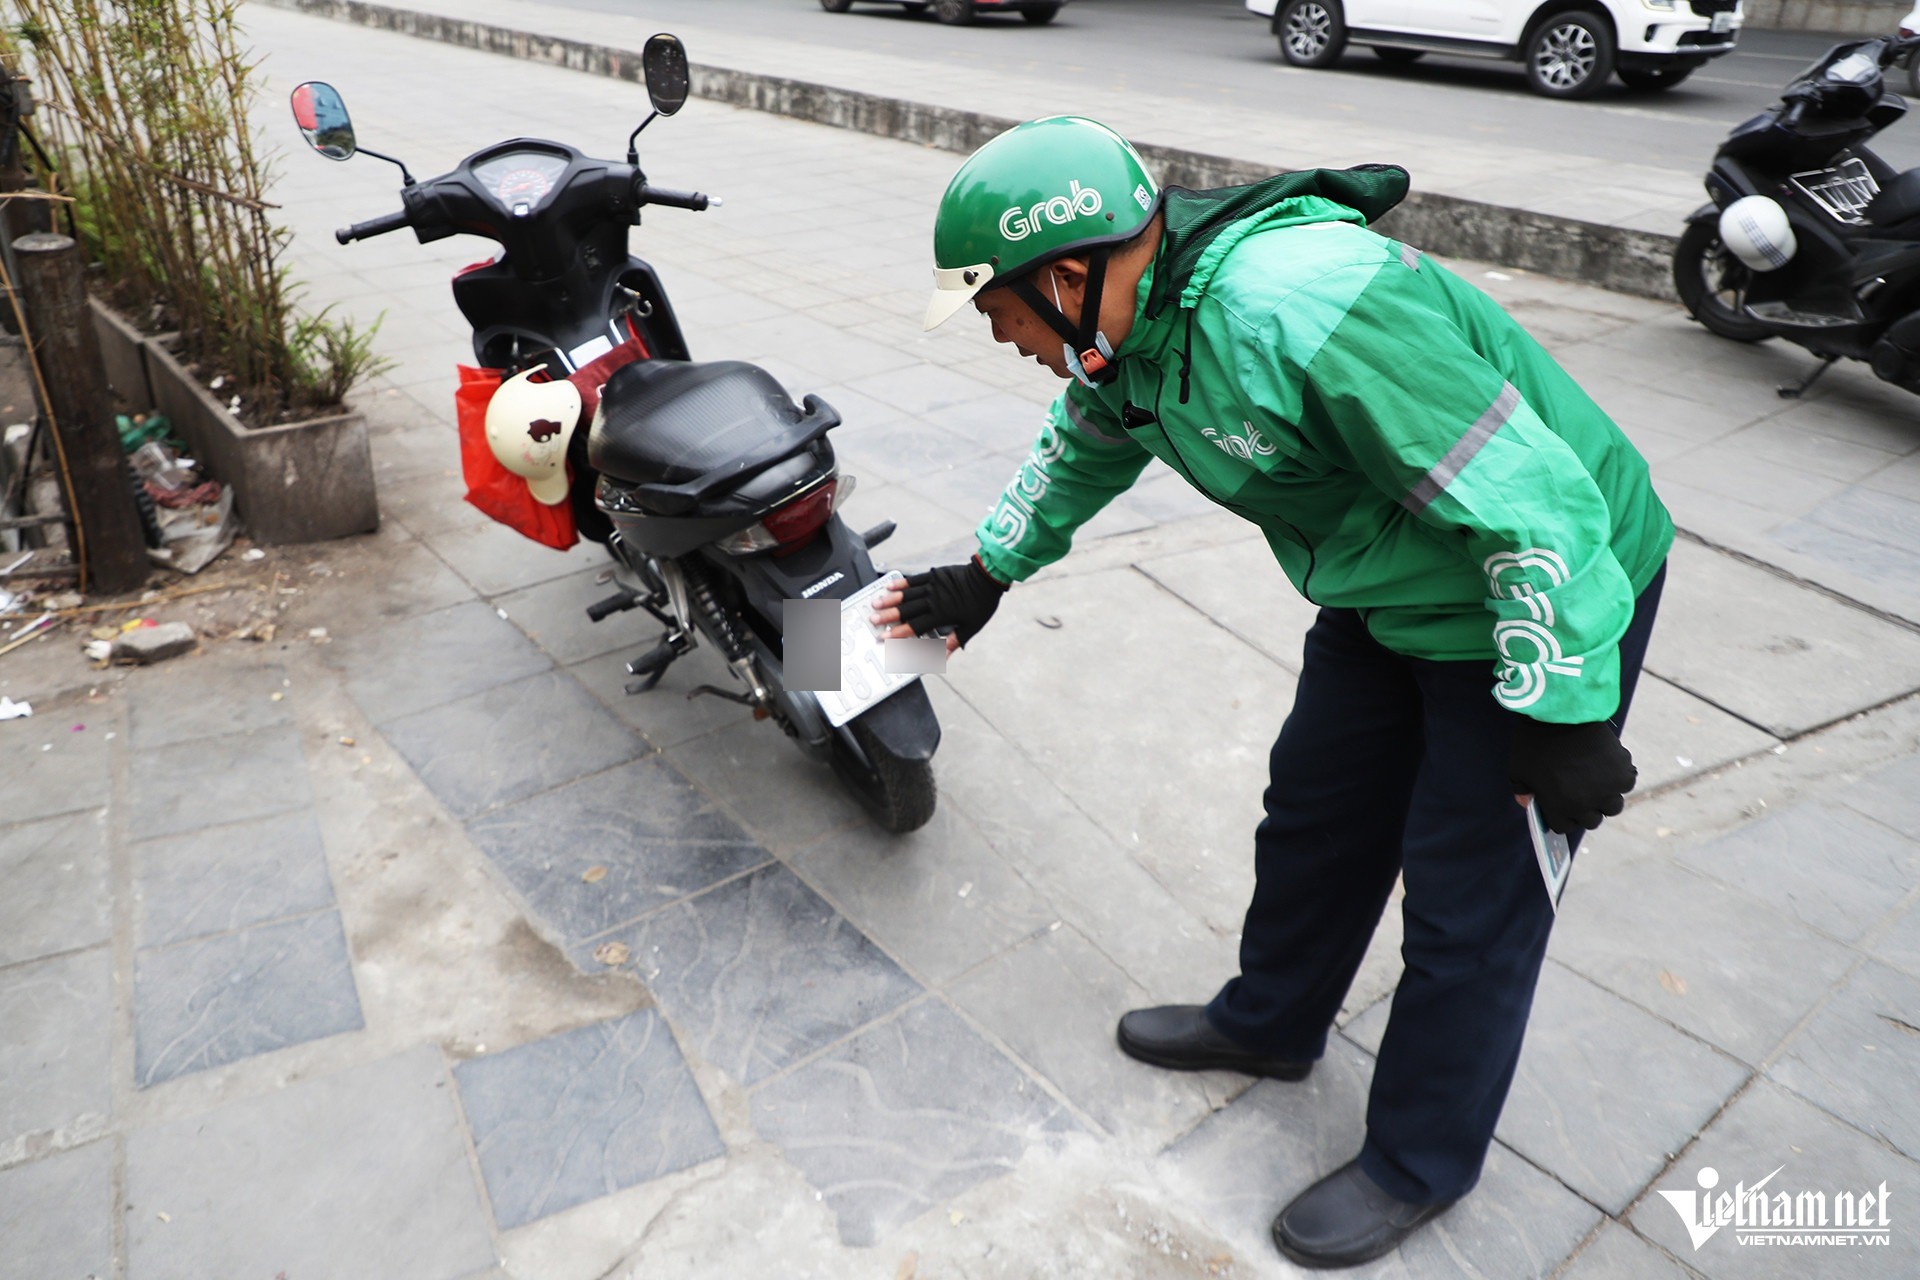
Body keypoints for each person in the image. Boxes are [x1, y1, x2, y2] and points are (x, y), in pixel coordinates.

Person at [870, 116, 1670, 1269]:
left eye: (998, 310)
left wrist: (1565, 710)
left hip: (1536, 594)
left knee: (1470, 897)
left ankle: (1418, 1156)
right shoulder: (1126, 333)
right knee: (1316, 813)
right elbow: (1085, 440)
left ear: (1061, 273)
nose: (1003, 338)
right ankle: (1273, 1020)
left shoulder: (1302, 304)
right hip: (1388, 584)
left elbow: (1535, 505)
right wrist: (987, 571)